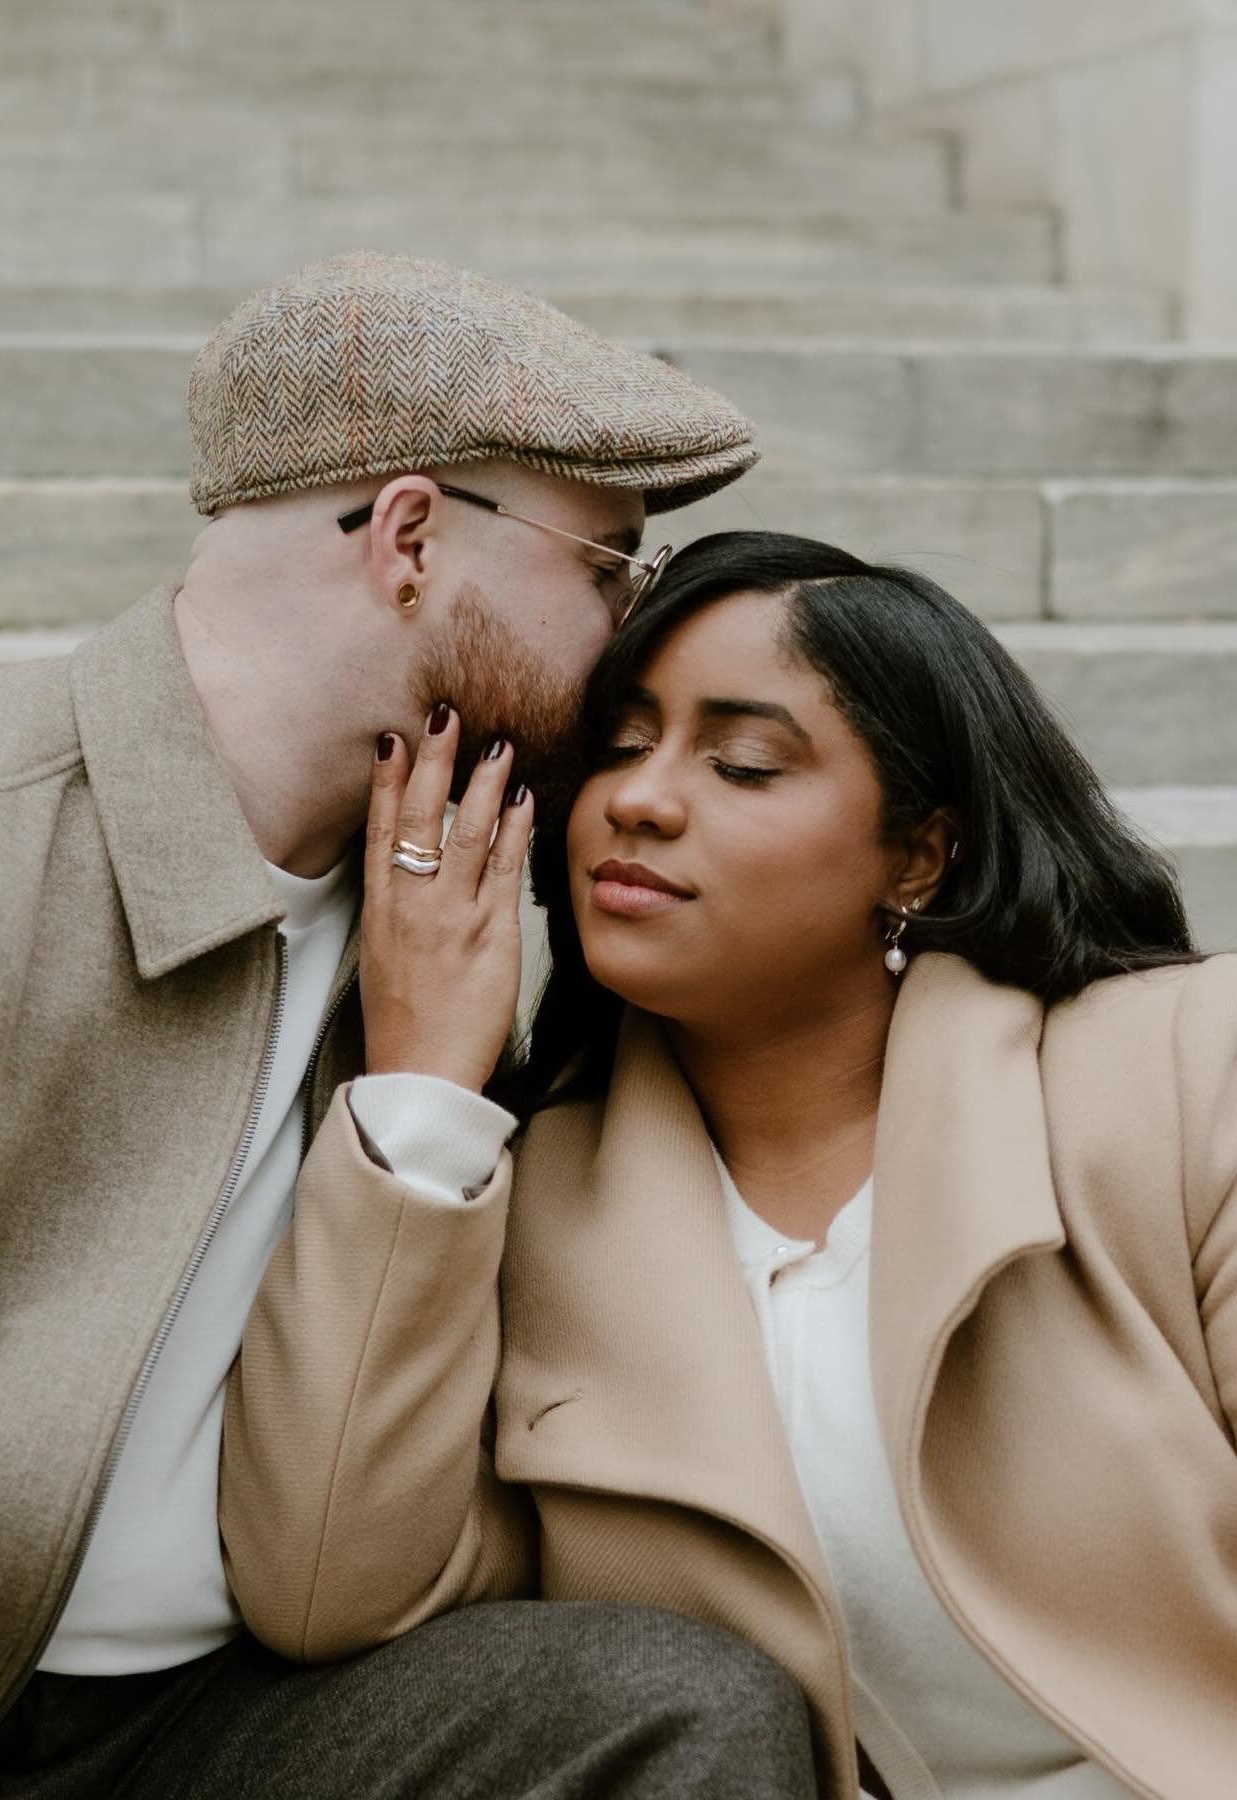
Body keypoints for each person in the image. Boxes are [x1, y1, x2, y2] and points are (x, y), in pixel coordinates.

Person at [0, 255, 823, 1800]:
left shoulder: (473, 882)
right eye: (610, 562)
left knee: (685, 1708)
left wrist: (424, 1085)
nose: (633, 624)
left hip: (245, 1710)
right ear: (410, 536)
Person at [221, 530, 1237, 1800]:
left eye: (745, 763)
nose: (640, 799)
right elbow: (322, 1590)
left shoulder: (1185, 1073)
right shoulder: (517, 1207)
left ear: (919, 856)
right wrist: (423, 1089)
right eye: (624, 744)